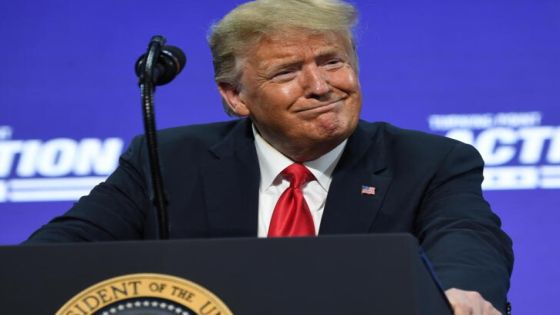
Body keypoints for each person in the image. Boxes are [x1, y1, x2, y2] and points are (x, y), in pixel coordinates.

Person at [25, 0, 513, 314]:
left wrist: (459, 293)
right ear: (235, 96)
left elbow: (467, 236)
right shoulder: (168, 161)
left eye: (332, 61)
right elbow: (61, 252)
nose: (321, 86)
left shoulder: (429, 160)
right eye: (287, 72)